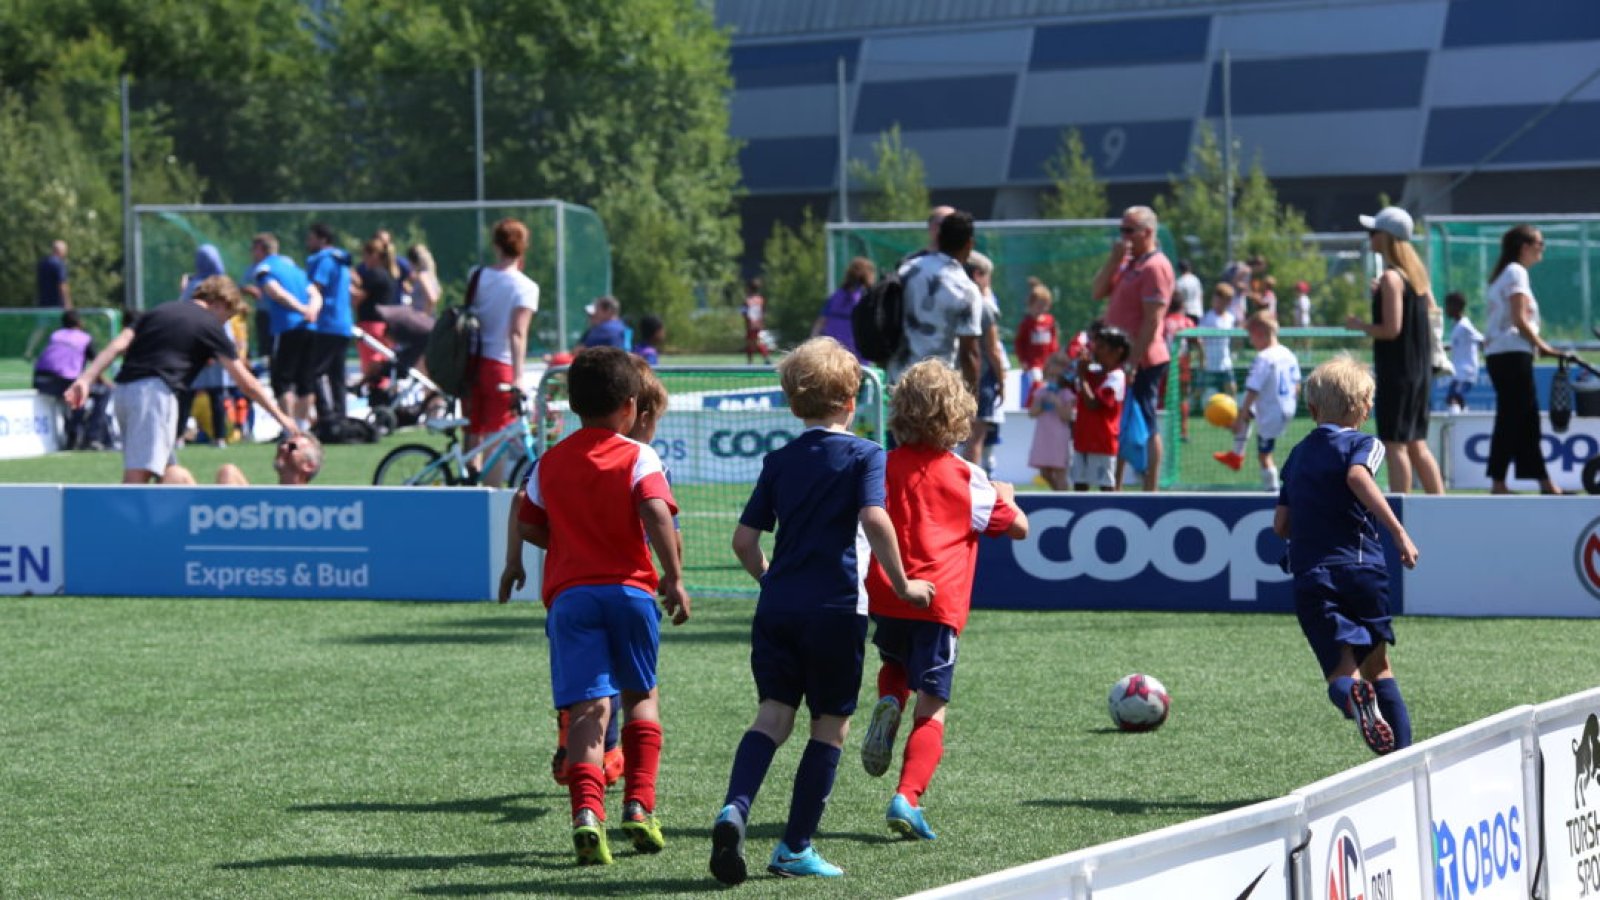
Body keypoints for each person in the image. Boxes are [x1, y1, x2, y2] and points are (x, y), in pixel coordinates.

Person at [712, 337, 934, 884]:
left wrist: (772, 581)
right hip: (836, 609)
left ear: (793, 403)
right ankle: (793, 847)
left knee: (772, 716)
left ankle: (734, 808)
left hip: (778, 609)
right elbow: (876, 520)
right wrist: (904, 585)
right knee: (830, 728)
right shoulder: (864, 454)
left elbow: (743, 541)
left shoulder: (779, 460)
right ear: (852, 399)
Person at [514, 346, 688, 866]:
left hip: (570, 598)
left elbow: (527, 524)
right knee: (641, 696)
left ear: (572, 405)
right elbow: (657, 513)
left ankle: (588, 816)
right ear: (631, 407)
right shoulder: (639, 456)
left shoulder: (550, 461)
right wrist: (674, 577)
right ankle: (639, 804)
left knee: (588, 708)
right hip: (631, 593)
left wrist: (568, 545)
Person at [857, 358, 1028, 841]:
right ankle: (907, 798)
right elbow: (1018, 527)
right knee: (932, 706)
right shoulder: (967, 476)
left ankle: (889, 697)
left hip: (887, 593)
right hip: (937, 602)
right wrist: (1007, 495)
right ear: (958, 417)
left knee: (894, 663)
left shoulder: (880, 466)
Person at [1273, 354, 1419, 756]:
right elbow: (1357, 476)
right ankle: (1401, 764)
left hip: (1313, 576)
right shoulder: (1363, 442)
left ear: (1313, 409)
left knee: (1344, 675)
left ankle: (1353, 696)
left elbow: (1280, 525)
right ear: (1364, 408)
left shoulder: (1297, 455)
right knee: (1380, 668)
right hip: (1362, 571)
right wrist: (1399, 532)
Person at [65, 276, 298, 484]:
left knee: (171, 474)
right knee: (137, 478)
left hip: (124, 392)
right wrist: (282, 418)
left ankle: (180, 527)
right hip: (155, 394)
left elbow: (119, 343)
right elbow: (247, 383)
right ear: (220, 303)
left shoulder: (159, 311)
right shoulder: (209, 324)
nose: (223, 325)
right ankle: (126, 532)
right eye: (226, 318)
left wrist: (86, 378)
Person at [1345, 206, 1444, 495]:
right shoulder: (1416, 279)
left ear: (1387, 238)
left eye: (1374, 232)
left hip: (1397, 372)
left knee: (1395, 444)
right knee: (1416, 444)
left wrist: (1359, 325)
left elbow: (1391, 329)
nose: (1370, 238)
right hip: (1418, 371)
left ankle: (1402, 508)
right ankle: (1441, 504)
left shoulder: (1392, 278)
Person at [1092, 205, 1175, 492]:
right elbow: (1097, 291)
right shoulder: (1129, 262)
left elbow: (1153, 321)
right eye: (1121, 230)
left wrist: (1132, 362)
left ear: (1148, 233)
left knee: (1145, 422)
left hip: (1142, 360)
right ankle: (1113, 486)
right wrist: (1114, 260)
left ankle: (1149, 490)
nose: (1123, 237)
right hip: (1117, 360)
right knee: (1117, 423)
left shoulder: (1155, 266)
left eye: (1130, 230)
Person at [1484, 224, 1564, 494]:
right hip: (1511, 353)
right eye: (1539, 244)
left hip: (1502, 353)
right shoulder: (1516, 272)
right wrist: (1544, 346)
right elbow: (1519, 318)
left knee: (1523, 417)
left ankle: (1541, 480)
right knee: (1514, 417)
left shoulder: (1504, 274)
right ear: (1524, 247)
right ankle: (1500, 481)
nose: (1542, 249)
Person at [465, 218, 540, 486]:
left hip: (471, 362)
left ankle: (469, 484)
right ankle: (491, 496)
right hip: (500, 364)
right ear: (523, 247)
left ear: (496, 244)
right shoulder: (526, 287)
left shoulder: (478, 275)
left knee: (474, 427)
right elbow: (517, 333)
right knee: (497, 434)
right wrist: (519, 376)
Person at [887, 210, 983, 393]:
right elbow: (969, 353)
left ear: (938, 238)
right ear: (969, 244)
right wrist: (972, 397)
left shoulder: (908, 269)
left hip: (898, 381)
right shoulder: (966, 290)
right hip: (937, 387)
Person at [1215, 312, 1301, 491]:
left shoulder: (1264, 357)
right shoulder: (1288, 353)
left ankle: (1273, 492)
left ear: (1260, 333)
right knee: (1247, 413)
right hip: (1287, 407)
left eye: (1251, 336)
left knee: (1264, 456)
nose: (1251, 342)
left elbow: (1253, 389)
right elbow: (1297, 385)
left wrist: (1240, 416)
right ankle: (1236, 455)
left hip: (1272, 412)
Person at [248, 233, 322, 433]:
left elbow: (275, 292)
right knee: (305, 380)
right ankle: (302, 428)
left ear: (261, 249)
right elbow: (315, 294)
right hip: (310, 327)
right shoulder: (295, 269)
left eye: (253, 250)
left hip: (287, 327)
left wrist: (300, 309)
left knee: (282, 380)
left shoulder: (265, 268)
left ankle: (289, 429)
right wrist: (312, 310)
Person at [32, 310, 109, 450]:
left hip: (40, 380)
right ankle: (91, 436)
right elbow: (96, 365)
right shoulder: (84, 338)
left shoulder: (55, 335)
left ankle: (74, 431)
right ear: (80, 323)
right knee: (103, 392)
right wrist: (104, 382)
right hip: (64, 381)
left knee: (75, 393)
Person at [305, 224, 355, 423]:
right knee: (337, 374)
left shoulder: (324, 260)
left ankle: (326, 415)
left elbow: (315, 288)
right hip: (343, 323)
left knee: (314, 372)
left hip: (327, 323)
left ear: (322, 239)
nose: (308, 242)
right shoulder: (341, 259)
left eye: (311, 238)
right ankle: (340, 416)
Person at [1072, 326, 1131, 492]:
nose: (1095, 351)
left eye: (1101, 347)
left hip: (1102, 442)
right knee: (1079, 484)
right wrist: (1079, 369)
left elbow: (1093, 403)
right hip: (1082, 438)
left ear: (1117, 351)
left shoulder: (1116, 376)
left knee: (1105, 486)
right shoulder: (1092, 373)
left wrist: (1082, 376)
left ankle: (1111, 517)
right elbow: (1066, 382)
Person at [963, 251, 1008, 469]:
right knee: (975, 440)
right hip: (982, 378)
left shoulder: (955, 300)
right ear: (979, 275)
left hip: (958, 376)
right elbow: (993, 350)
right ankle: (970, 490)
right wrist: (1002, 380)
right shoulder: (983, 306)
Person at [162, 432, 324, 486]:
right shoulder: (262, 504)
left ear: (309, 465)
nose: (282, 448)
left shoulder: (316, 513)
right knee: (175, 474)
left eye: (292, 447)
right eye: (283, 443)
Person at [353, 238, 400, 386]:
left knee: (372, 365)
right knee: (380, 362)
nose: (364, 260)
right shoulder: (386, 274)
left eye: (366, 255)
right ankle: (381, 393)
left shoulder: (375, 274)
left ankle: (379, 397)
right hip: (381, 326)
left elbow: (359, 298)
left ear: (375, 255)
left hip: (371, 325)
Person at [1027, 352, 1075, 490]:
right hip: (1043, 436)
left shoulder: (1066, 394)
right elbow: (1032, 413)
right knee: (1044, 472)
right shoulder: (1041, 392)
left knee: (1060, 472)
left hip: (1059, 437)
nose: (1053, 379)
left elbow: (1067, 416)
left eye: (1057, 376)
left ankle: (1063, 497)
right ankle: (1057, 493)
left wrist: (1057, 403)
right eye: (1051, 375)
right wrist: (1041, 404)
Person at [812, 256, 875, 360]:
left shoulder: (835, 296)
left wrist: (813, 343)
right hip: (856, 354)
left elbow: (820, 322)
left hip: (831, 351)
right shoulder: (866, 297)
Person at [1014, 279, 1059, 404]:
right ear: (1031, 304)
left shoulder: (1050, 321)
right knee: (1037, 382)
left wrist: (1055, 358)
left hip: (1048, 362)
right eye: (1038, 305)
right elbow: (1019, 343)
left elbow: (1053, 341)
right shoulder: (1027, 323)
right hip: (1034, 363)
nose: (1041, 309)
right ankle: (1032, 404)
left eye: (1044, 306)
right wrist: (1023, 360)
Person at [1163, 293, 1196, 443]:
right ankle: (1183, 431)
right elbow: (1197, 341)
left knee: (1165, 398)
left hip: (1165, 362)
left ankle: (1165, 430)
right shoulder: (1187, 322)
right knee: (1182, 397)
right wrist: (1201, 361)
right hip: (1183, 363)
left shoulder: (1164, 322)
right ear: (1182, 306)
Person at [1196, 284, 1238, 401]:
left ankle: (1233, 415)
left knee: (1231, 389)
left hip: (1225, 362)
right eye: (1219, 298)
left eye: (1229, 299)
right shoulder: (1207, 318)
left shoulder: (1231, 318)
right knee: (1199, 391)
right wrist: (1202, 358)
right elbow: (1199, 338)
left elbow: (1234, 338)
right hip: (1208, 363)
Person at [1444, 291, 1483, 413]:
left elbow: (1481, 340)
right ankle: (1464, 417)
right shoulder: (1456, 325)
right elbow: (1459, 344)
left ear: (1456, 307)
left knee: (1454, 398)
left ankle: (1457, 427)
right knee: (1454, 399)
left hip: (1466, 372)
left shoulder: (1465, 326)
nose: (1446, 309)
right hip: (1458, 372)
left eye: (1448, 306)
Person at [741, 278, 771, 365]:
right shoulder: (760, 300)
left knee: (753, 343)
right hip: (758, 324)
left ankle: (760, 359)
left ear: (749, 289)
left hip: (751, 324)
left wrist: (747, 321)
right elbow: (763, 312)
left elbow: (744, 313)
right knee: (753, 342)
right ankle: (761, 359)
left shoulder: (747, 301)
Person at [405, 245, 441, 316]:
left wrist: (424, 315)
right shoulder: (430, 275)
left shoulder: (423, 276)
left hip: (420, 317)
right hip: (431, 317)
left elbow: (432, 298)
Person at [36, 240, 71, 309]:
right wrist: (67, 303)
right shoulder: (59, 264)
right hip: (56, 305)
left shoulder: (43, 263)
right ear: (60, 251)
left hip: (42, 304)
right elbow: (62, 284)